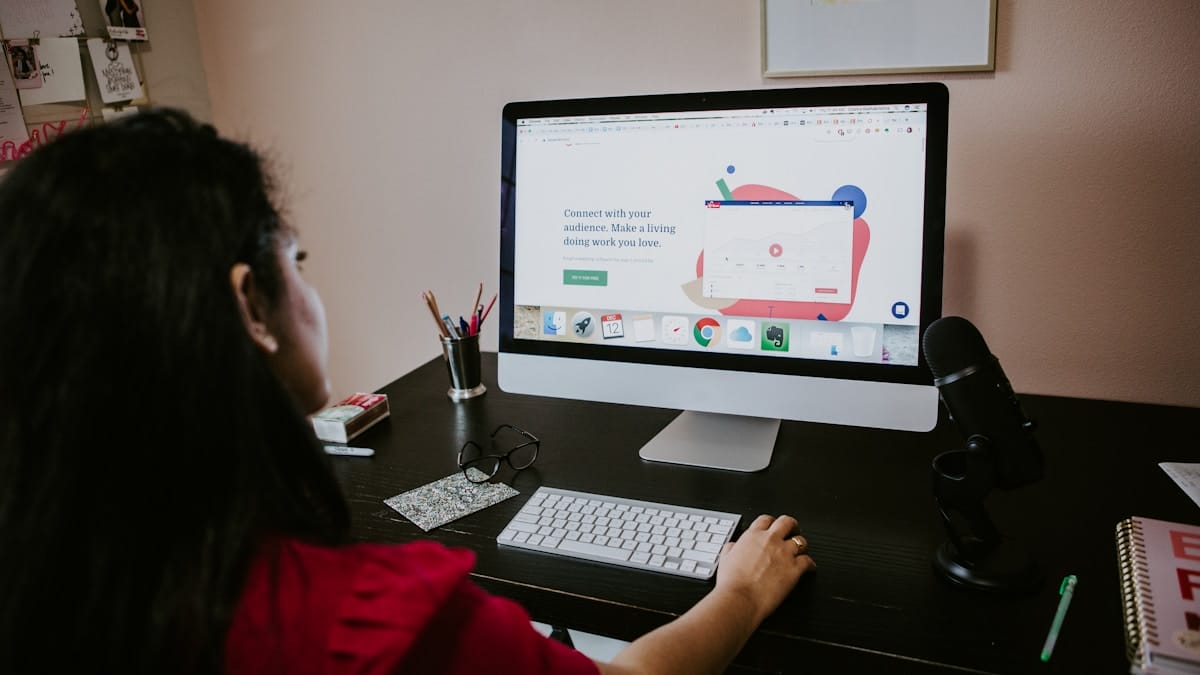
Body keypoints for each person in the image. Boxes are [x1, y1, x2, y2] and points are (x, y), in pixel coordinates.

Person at [0, 108, 816, 674]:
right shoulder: (378, 630)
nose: (311, 293)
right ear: (251, 303)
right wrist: (739, 592)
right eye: (301, 261)